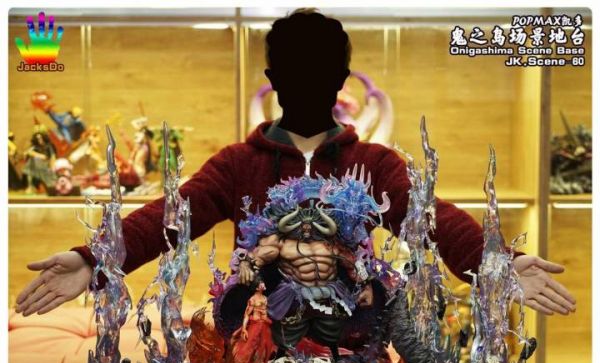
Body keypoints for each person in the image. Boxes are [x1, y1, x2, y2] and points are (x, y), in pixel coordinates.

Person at [15, 8, 576, 319]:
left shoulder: (373, 164)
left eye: (321, 69)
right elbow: (167, 217)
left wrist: (497, 260)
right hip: (254, 334)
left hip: (352, 336)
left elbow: (434, 219)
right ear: (273, 78)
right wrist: (94, 258)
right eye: (294, 69)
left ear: (341, 80)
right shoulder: (238, 165)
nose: (308, 81)